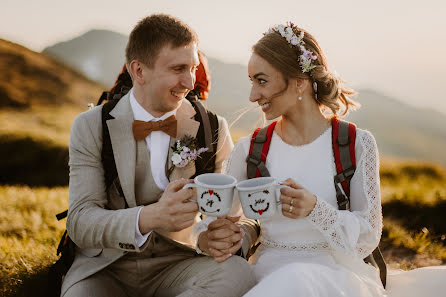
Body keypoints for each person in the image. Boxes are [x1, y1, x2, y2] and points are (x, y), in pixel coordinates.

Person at [62, 14, 257, 297]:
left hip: (181, 263)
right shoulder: (91, 126)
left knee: (240, 275)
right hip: (106, 268)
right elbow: (80, 221)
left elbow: (241, 213)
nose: (190, 82)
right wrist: (151, 216)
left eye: (193, 68)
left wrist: (224, 237)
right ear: (138, 71)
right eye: (178, 69)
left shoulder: (213, 127)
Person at [193, 22, 386, 296]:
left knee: (297, 279)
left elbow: (368, 236)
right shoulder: (250, 149)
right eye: (252, 82)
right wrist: (208, 237)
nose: (252, 95)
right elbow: (214, 216)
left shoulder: (356, 144)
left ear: (299, 81)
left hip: (338, 277)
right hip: (268, 275)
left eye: (262, 81)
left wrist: (317, 209)